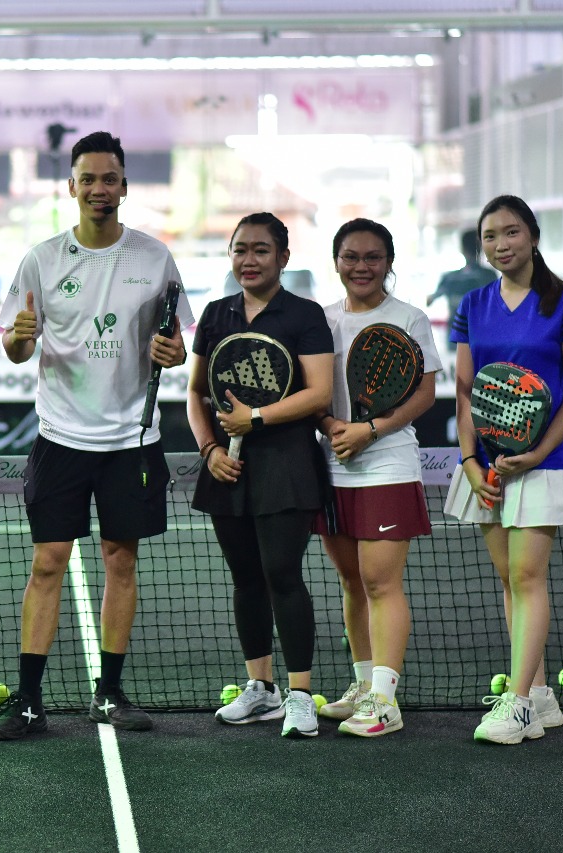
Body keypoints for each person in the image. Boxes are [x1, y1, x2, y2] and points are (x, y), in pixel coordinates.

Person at [0, 130, 194, 741]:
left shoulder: (155, 257)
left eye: (111, 179)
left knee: (120, 561)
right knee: (47, 563)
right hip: (61, 438)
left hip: (132, 440)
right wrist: (22, 336)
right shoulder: (41, 259)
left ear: (124, 186)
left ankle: (109, 692)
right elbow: (18, 351)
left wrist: (174, 351)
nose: (99, 189)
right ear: (71, 187)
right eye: (89, 179)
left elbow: (174, 343)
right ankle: (28, 701)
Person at [445, 195, 563, 745]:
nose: (501, 244)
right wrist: (467, 459)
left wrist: (536, 453)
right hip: (486, 467)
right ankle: (537, 694)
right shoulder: (473, 304)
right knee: (509, 579)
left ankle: (517, 703)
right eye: (490, 236)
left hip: (543, 461)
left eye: (511, 232)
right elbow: (465, 391)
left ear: (532, 235)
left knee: (529, 576)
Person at [186, 212, 333, 738]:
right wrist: (209, 449)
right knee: (245, 579)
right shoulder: (216, 313)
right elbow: (196, 392)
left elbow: (319, 393)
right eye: (240, 249)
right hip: (229, 468)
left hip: (287, 466)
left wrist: (257, 419)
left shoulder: (304, 314)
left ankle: (299, 695)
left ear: (283, 258)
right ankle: (261, 689)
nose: (249, 260)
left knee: (282, 576)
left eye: (261, 251)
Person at [311, 219, 441, 737]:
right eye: (350, 256)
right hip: (332, 464)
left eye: (371, 257)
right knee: (350, 582)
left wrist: (370, 429)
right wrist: (331, 426)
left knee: (380, 582)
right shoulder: (321, 320)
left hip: (387, 466)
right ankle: (364, 687)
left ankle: (385, 702)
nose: (360, 267)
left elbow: (425, 394)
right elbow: (315, 393)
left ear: (388, 262)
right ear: (336, 260)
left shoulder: (408, 318)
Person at [427, 229, 496, 350]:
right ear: (481, 248)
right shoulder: (489, 276)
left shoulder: (450, 278)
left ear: (462, 249)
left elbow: (430, 300)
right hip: (482, 339)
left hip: (456, 339)